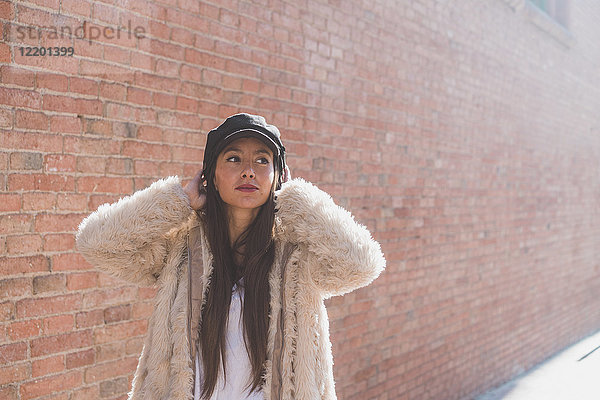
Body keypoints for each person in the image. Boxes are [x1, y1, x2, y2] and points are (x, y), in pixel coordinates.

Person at [76, 113, 386, 400]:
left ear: (278, 177)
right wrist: (178, 201)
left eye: (262, 160)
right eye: (234, 158)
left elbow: (362, 263)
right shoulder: (182, 249)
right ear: (209, 176)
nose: (249, 170)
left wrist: (298, 202)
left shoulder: (297, 255)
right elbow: (96, 243)